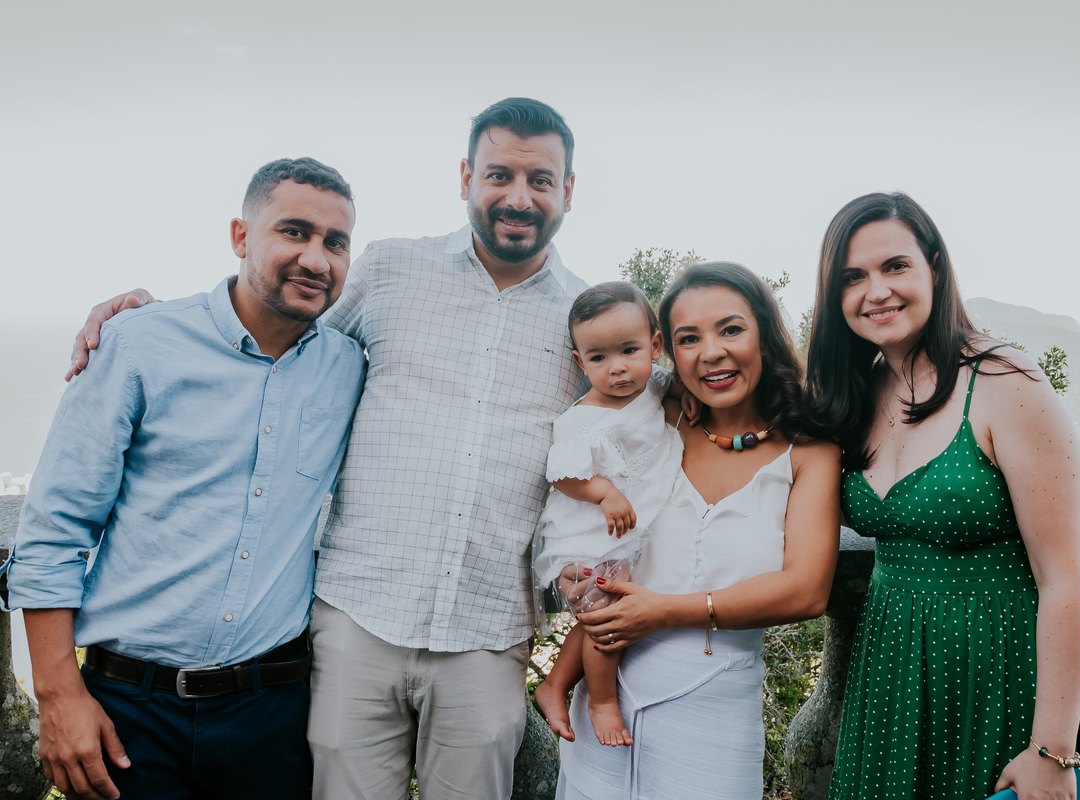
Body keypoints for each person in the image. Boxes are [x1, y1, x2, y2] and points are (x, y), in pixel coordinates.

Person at [67, 98, 589, 800]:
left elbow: (642, 407)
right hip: (354, 623)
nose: (518, 197)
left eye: (540, 180)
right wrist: (156, 317)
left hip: (488, 632)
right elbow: (278, 336)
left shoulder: (587, 319)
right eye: (499, 175)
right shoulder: (387, 268)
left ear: (568, 191)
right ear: (466, 176)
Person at [6, 158, 366, 800]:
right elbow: (54, 530)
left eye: (335, 243)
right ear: (240, 236)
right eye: (294, 232)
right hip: (128, 713)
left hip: (274, 717)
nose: (316, 259)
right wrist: (59, 695)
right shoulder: (137, 345)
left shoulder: (349, 368)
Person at [805, 192, 1080, 799]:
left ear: (935, 270)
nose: (877, 291)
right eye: (853, 277)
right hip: (892, 683)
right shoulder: (855, 396)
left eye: (895, 266)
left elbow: (1067, 578)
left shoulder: (1005, 382)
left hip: (1003, 681)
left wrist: (1051, 750)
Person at [549, 262, 842, 799]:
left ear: (764, 333)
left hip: (715, 711)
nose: (710, 352)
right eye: (689, 338)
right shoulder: (652, 420)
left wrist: (662, 610)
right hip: (605, 700)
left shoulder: (809, 453)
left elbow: (807, 590)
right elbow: (573, 465)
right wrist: (569, 568)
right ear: (669, 350)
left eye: (730, 329)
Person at [530, 281, 695, 748]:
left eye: (629, 350)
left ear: (655, 347)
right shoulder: (582, 418)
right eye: (598, 358)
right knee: (609, 620)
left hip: (624, 533)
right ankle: (601, 701)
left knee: (595, 617)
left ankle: (554, 683)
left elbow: (676, 381)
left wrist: (689, 393)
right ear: (580, 363)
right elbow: (560, 474)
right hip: (587, 534)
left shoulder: (655, 383)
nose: (617, 368)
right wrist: (603, 492)